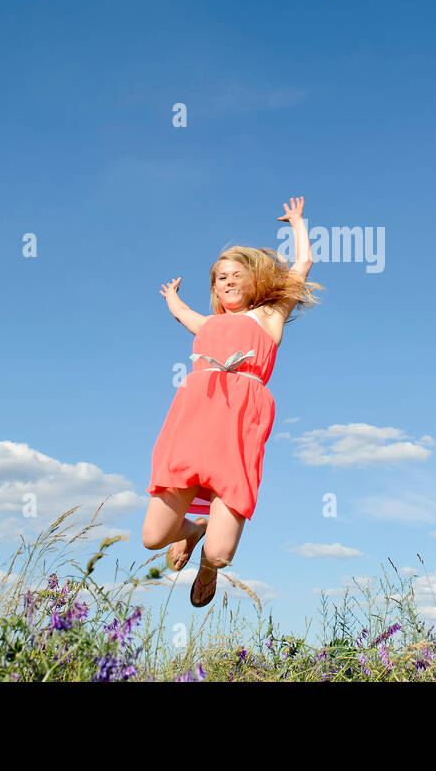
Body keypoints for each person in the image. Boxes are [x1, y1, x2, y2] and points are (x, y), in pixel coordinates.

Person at [142, 196, 323, 607]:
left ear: (255, 280)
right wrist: (171, 297)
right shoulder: (207, 324)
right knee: (153, 538)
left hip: (239, 425)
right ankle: (192, 529)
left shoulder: (268, 317)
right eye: (219, 277)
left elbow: (302, 266)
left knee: (221, 554)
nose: (225, 282)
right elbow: (181, 314)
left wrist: (297, 222)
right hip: (191, 423)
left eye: (235, 275)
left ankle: (206, 566)